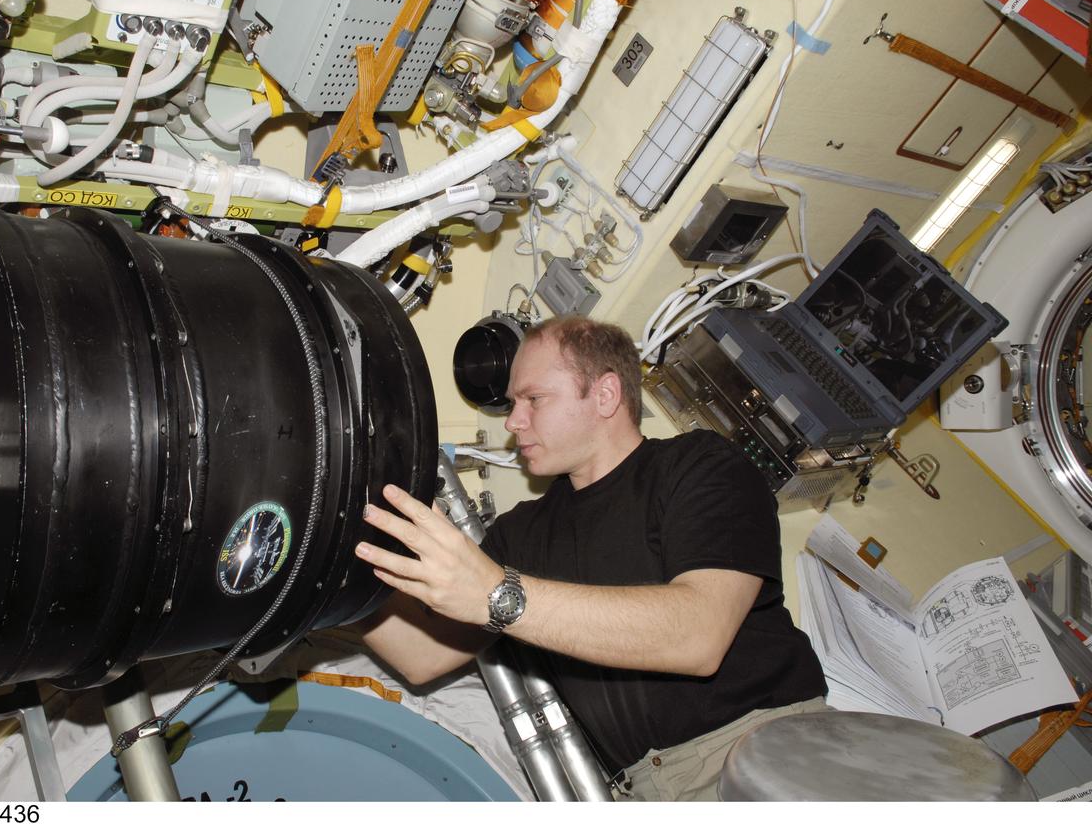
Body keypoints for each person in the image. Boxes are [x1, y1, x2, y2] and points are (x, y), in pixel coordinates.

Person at [352, 314, 827, 801]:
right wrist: (335, 573)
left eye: (533, 400)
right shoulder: (521, 534)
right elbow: (421, 655)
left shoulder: (701, 467)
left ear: (605, 395)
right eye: (514, 404)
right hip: (643, 790)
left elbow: (698, 637)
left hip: (761, 759)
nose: (514, 422)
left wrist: (495, 595)